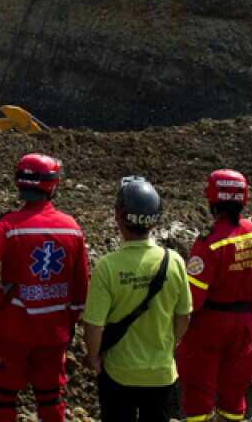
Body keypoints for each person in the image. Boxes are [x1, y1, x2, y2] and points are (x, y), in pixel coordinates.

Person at [0, 154, 88, 422]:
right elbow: (81, 284)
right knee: (51, 397)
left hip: (11, 329)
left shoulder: (9, 225)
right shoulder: (71, 228)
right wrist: (70, 318)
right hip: (53, 330)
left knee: (2, 396)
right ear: (52, 185)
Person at [178, 170, 252, 422]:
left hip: (207, 327)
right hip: (244, 324)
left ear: (212, 200)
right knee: (235, 389)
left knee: (198, 392)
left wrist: (177, 330)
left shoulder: (209, 243)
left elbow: (193, 300)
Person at [83, 177, 192, 422]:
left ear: (118, 216)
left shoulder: (107, 267)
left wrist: (94, 359)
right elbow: (184, 316)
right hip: (161, 373)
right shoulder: (174, 261)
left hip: (118, 373)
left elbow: (93, 326)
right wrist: (168, 346)